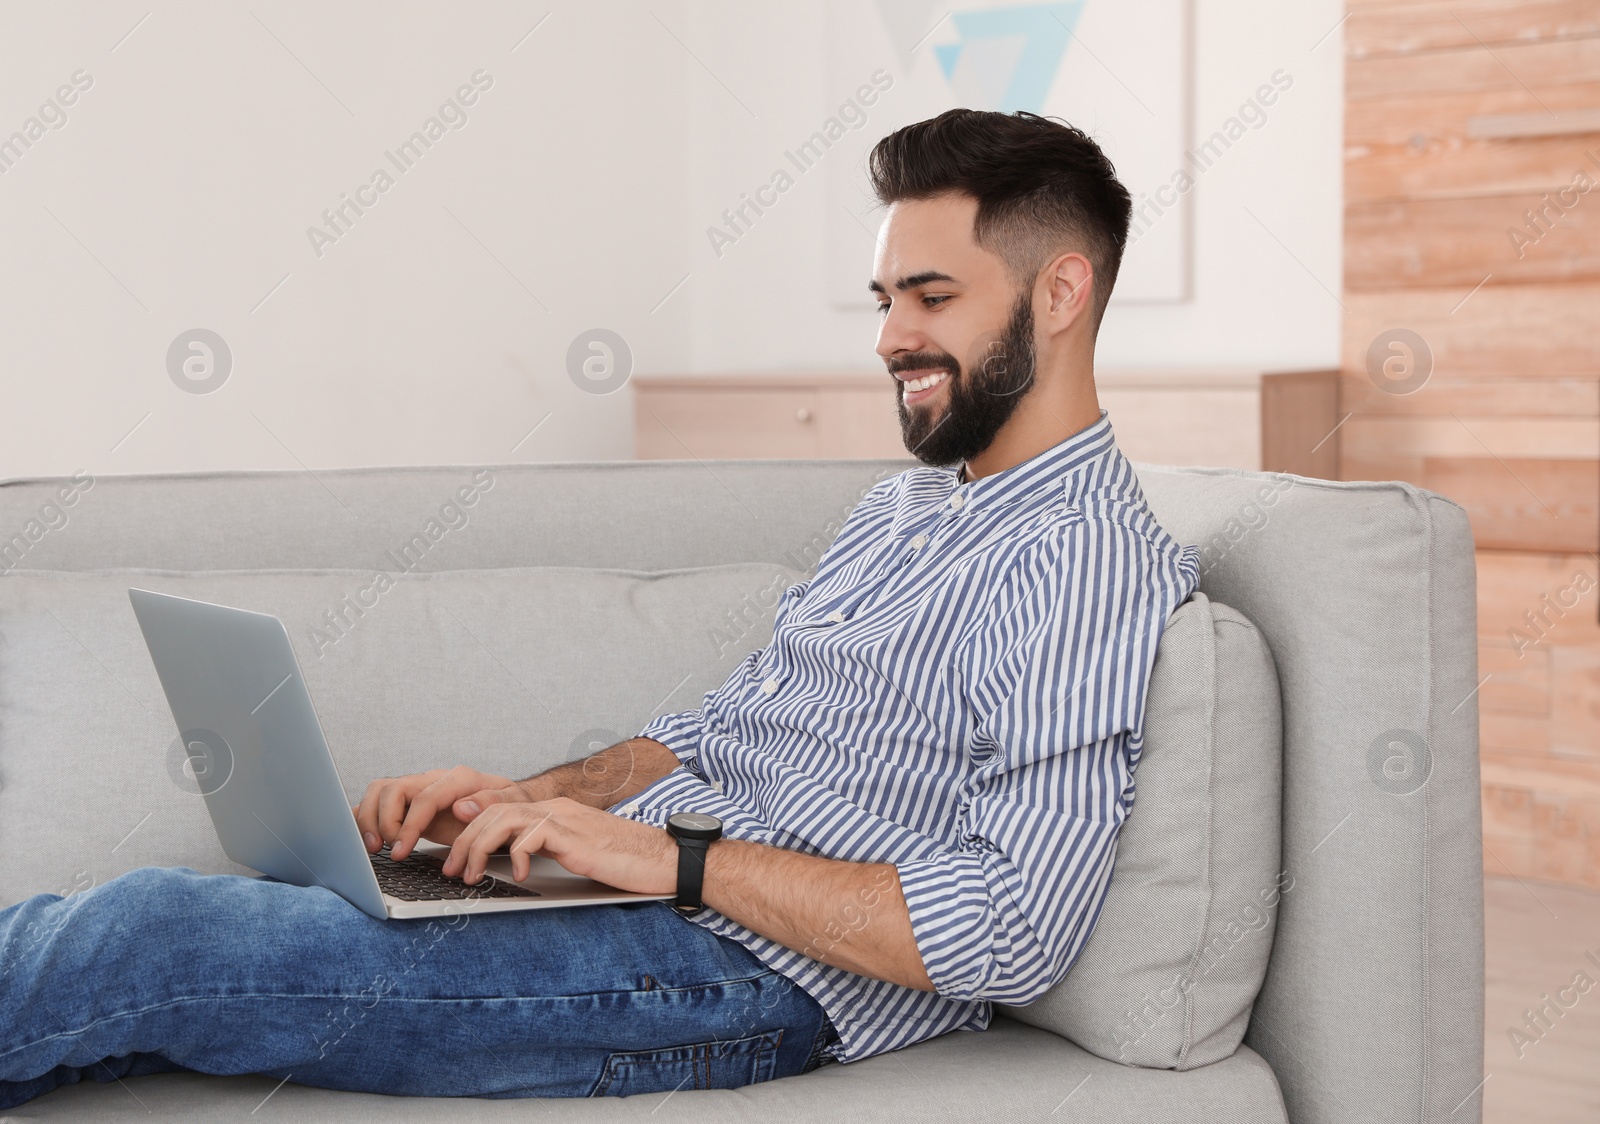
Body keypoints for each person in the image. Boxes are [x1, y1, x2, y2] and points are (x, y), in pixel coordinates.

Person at [0, 108, 1200, 1108]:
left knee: (153, 937)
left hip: (739, 977)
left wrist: (664, 859)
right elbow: (711, 739)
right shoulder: (905, 509)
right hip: (659, 905)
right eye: (884, 295)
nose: (889, 336)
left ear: (1059, 291)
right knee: (153, 944)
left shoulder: (1085, 561)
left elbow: (1011, 926)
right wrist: (530, 802)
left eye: (930, 296)